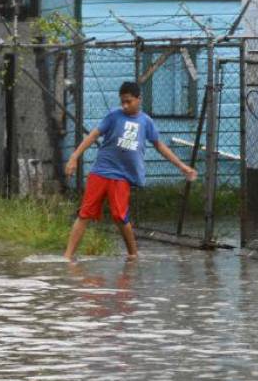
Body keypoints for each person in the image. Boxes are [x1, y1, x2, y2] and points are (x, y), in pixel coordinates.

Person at [63, 80, 197, 261]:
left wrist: (181, 166)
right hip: (101, 172)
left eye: (129, 101)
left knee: (120, 216)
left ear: (139, 99)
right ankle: (67, 256)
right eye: (122, 102)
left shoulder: (146, 122)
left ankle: (133, 255)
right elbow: (93, 135)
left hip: (122, 177)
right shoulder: (113, 116)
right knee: (85, 213)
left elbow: (159, 145)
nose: (125, 106)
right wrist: (74, 157)